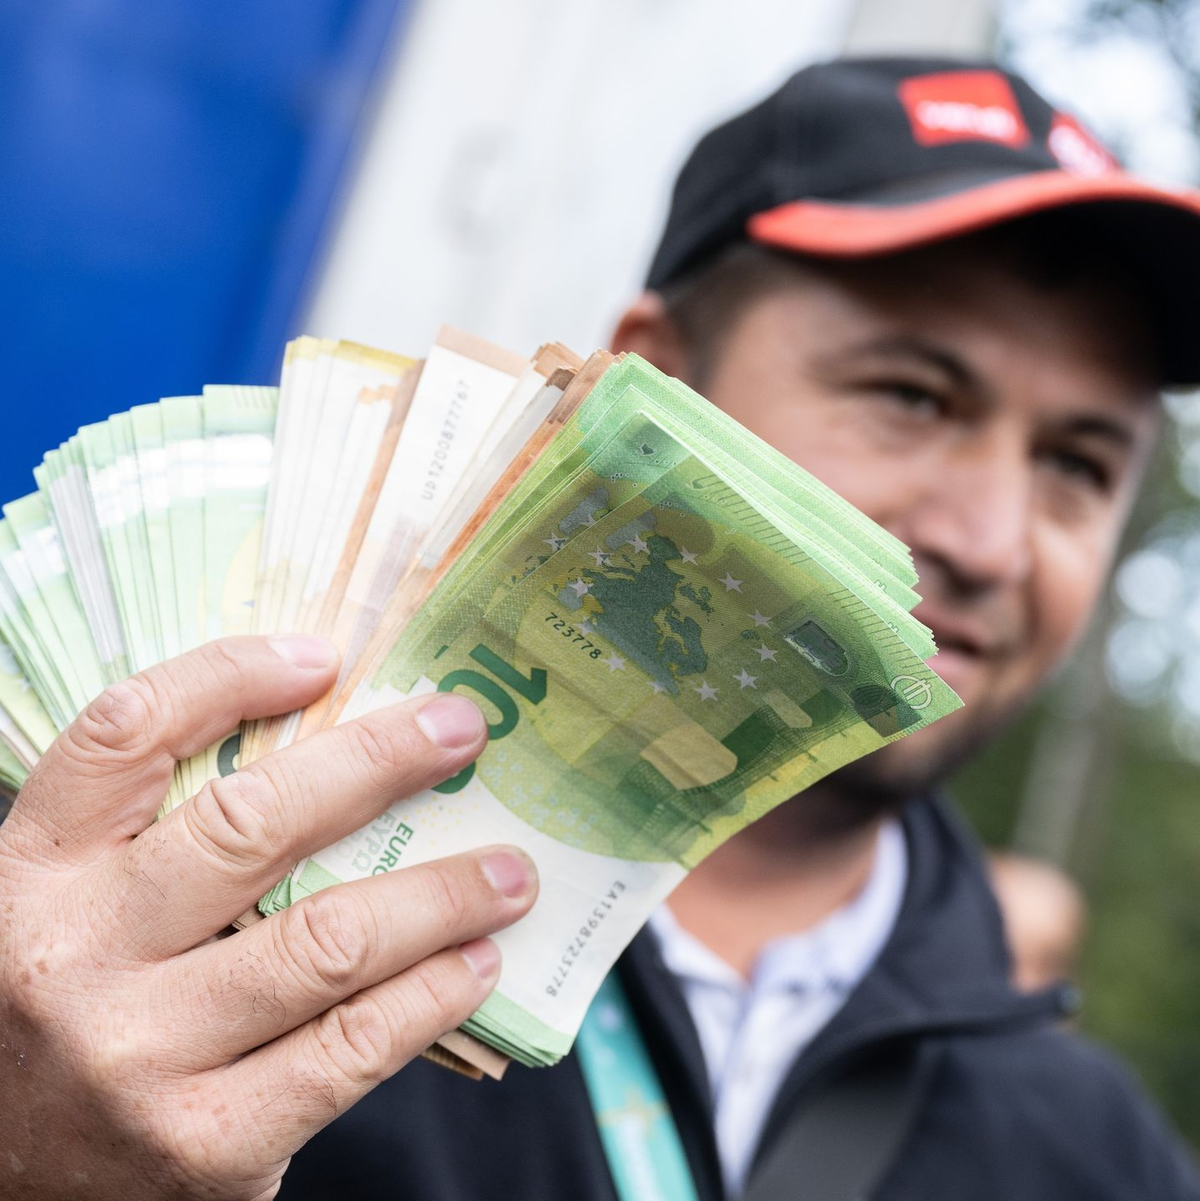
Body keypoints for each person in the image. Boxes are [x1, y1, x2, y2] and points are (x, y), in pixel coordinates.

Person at [2, 55, 1198, 1201]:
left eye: (1079, 465)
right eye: (912, 396)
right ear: (651, 387)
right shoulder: (128, 921)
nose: (993, 538)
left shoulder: (1104, 1160)